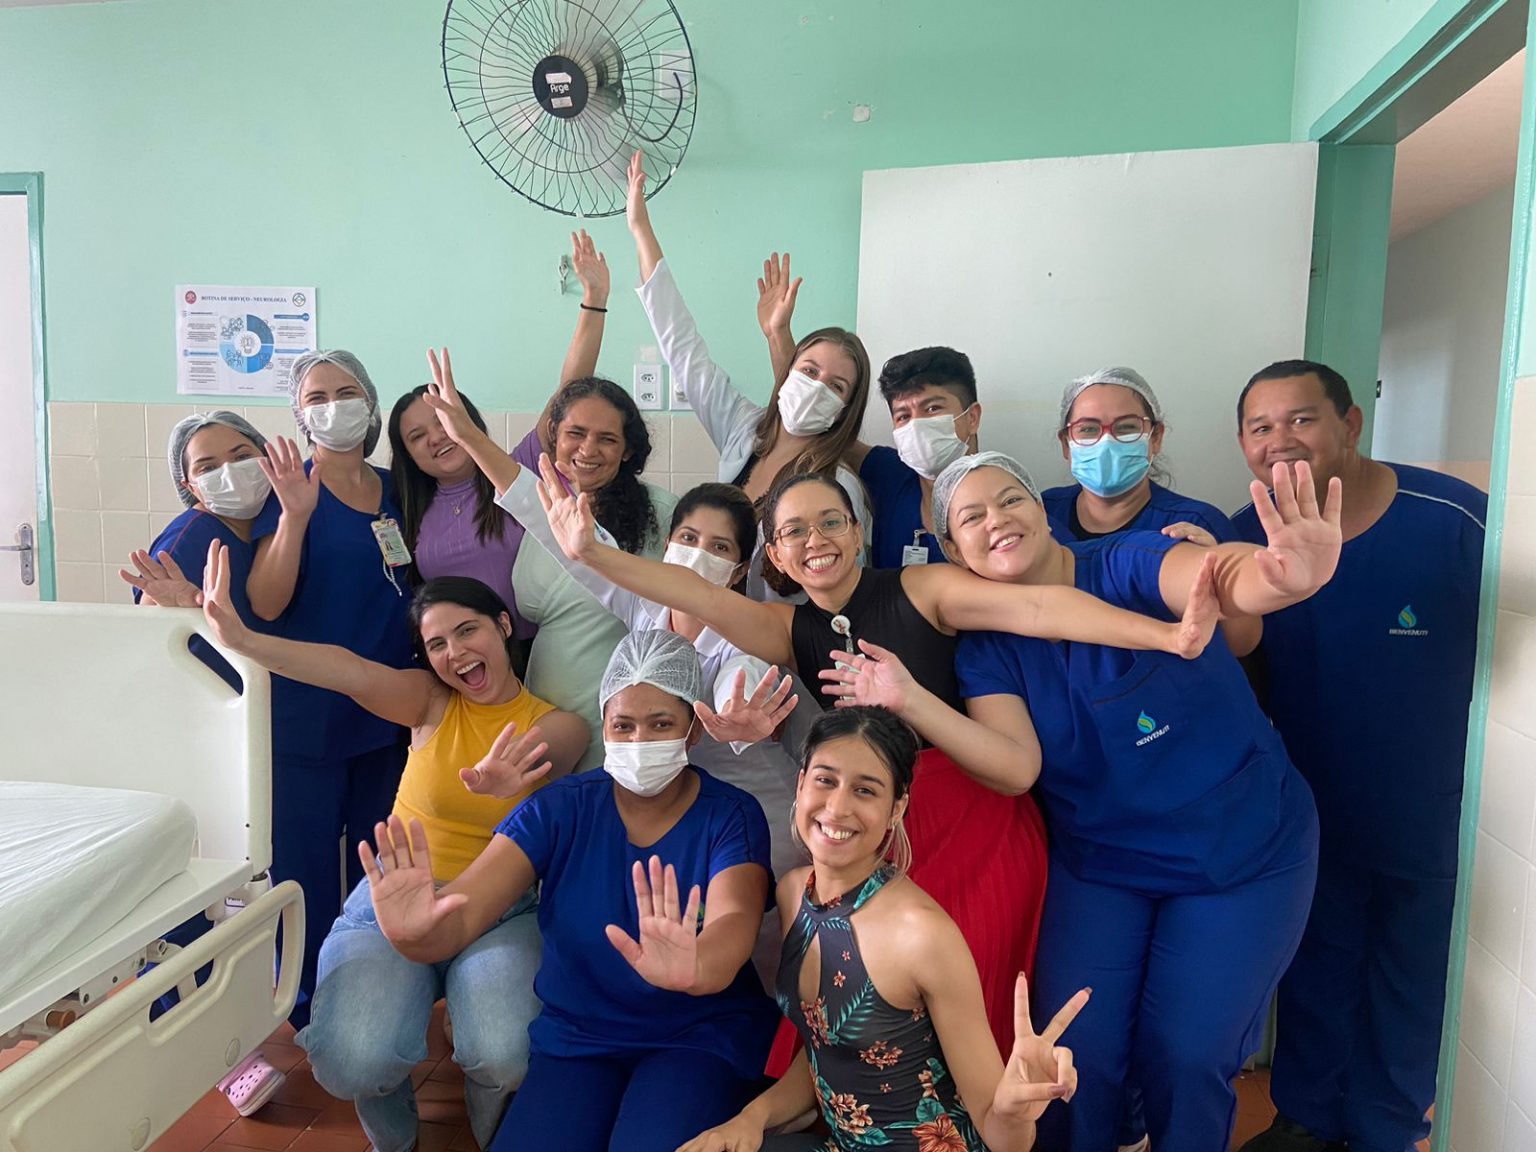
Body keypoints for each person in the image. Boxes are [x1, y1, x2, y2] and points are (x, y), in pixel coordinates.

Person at [535, 457, 1218, 1058]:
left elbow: (1039, 607)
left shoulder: (924, 589)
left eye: (830, 522)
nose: (815, 541)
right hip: (873, 832)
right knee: (877, 1018)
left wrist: (1165, 636)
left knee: (974, 1011)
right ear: (774, 555)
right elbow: (697, 594)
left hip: (976, 825)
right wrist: (590, 553)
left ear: (858, 532)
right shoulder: (785, 627)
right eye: (794, 531)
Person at [820, 450, 1337, 1150]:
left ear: (1042, 509)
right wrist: (907, 699)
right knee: (1073, 1055)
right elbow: (1014, 766)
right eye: (972, 517)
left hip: (1243, 856)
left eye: (1011, 500)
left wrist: (1277, 578)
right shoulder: (986, 649)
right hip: (1105, 867)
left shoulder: (1126, 563)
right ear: (951, 548)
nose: (997, 521)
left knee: (1185, 1055)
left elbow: (1212, 576)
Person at [200, 545, 588, 1150]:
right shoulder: (429, 704)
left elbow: (555, 749)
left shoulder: (556, 719)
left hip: (503, 910)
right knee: (353, 1058)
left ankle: (495, 1130)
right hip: (393, 897)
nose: (455, 652)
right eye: (438, 645)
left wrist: (516, 779)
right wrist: (243, 639)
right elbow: (345, 669)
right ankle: (395, 1140)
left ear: (504, 626)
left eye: (468, 630)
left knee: (505, 1053)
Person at [359, 630, 781, 1152]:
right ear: (605, 727)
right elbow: (463, 913)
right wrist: (414, 933)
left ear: (692, 731)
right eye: (623, 725)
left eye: (661, 724)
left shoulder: (730, 816)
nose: (639, 741)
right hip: (581, 1040)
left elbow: (731, 929)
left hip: (697, 1038)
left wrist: (695, 966)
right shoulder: (559, 809)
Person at [422, 348, 812, 881]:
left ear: (741, 570)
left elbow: (733, 681)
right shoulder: (646, 608)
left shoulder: (742, 636)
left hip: (761, 807)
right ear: (667, 545)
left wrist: (737, 719)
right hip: (680, 800)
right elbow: (544, 517)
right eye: (689, 539)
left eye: (719, 548)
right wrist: (469, 437)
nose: (699, 554)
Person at [1231, 360, 1487, 1152]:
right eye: (1260, 427)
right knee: (1316, 970)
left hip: (1426, 812)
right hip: (1308, 811)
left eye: (1301, 419)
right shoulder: (1248, 537)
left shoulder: (1453, 520)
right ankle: (1305, 1118)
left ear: (1350, 423)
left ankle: (1387, 1127)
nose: (1281, 442)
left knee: (1409, 982)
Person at [680, 706, 1087, 1152]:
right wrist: (749, 1119)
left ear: (897, 809)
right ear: (801, 784)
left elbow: (1002, 1137)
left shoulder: (922, 936)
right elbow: (826, 1051)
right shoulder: (796, 893)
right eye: (825, 780)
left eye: (865, 791)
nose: (837, 807)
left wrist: (1012, 1112)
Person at [246, 349, 415, 1029]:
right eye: (317, 395)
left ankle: (377, 999)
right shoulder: (288, 492)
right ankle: (306, 1010)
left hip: (390, 717)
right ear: (299, 413)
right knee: (305, 875)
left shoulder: (400, 488)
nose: (333, 404)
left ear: (372, 405)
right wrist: (292, 516)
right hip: (307, 722)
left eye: (347, 391)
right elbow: (265, 602)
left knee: (385, 866)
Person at [626, 151, 872, 601]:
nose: (816, 388)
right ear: (788, 373)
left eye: (836, 387)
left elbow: (845, 592)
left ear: (846, 408)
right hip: (711, 629)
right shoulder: (743, 430)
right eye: (809, 370)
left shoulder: (840, 486)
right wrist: (642, 231)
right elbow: (683, 349)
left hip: (784, 649)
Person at [420, 345, 678, 768]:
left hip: (621, 715)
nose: (588, 449)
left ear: (628, 450)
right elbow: (514, 488)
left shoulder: (661, 514)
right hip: (543, 712)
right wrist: (464, 433)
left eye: (607, 438)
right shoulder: (552, 505)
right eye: (575, 433)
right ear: (554, 436)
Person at [384, 230, 611, 644]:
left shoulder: (516, 471)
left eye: (443, 422)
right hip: (459, 662)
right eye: (418, 436)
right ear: (408, 455)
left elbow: (571, 391)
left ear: (466, 420)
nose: (437, 438)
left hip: (532, 652)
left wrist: (593, 300)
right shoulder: (409, 507)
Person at [839, 345, 983, 568]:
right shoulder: (893, 477)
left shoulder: (1006, 508)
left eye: (933, 408)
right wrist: (777, 335)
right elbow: (821, 429)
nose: (916, 425)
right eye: (903, 415)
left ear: (972, 418)